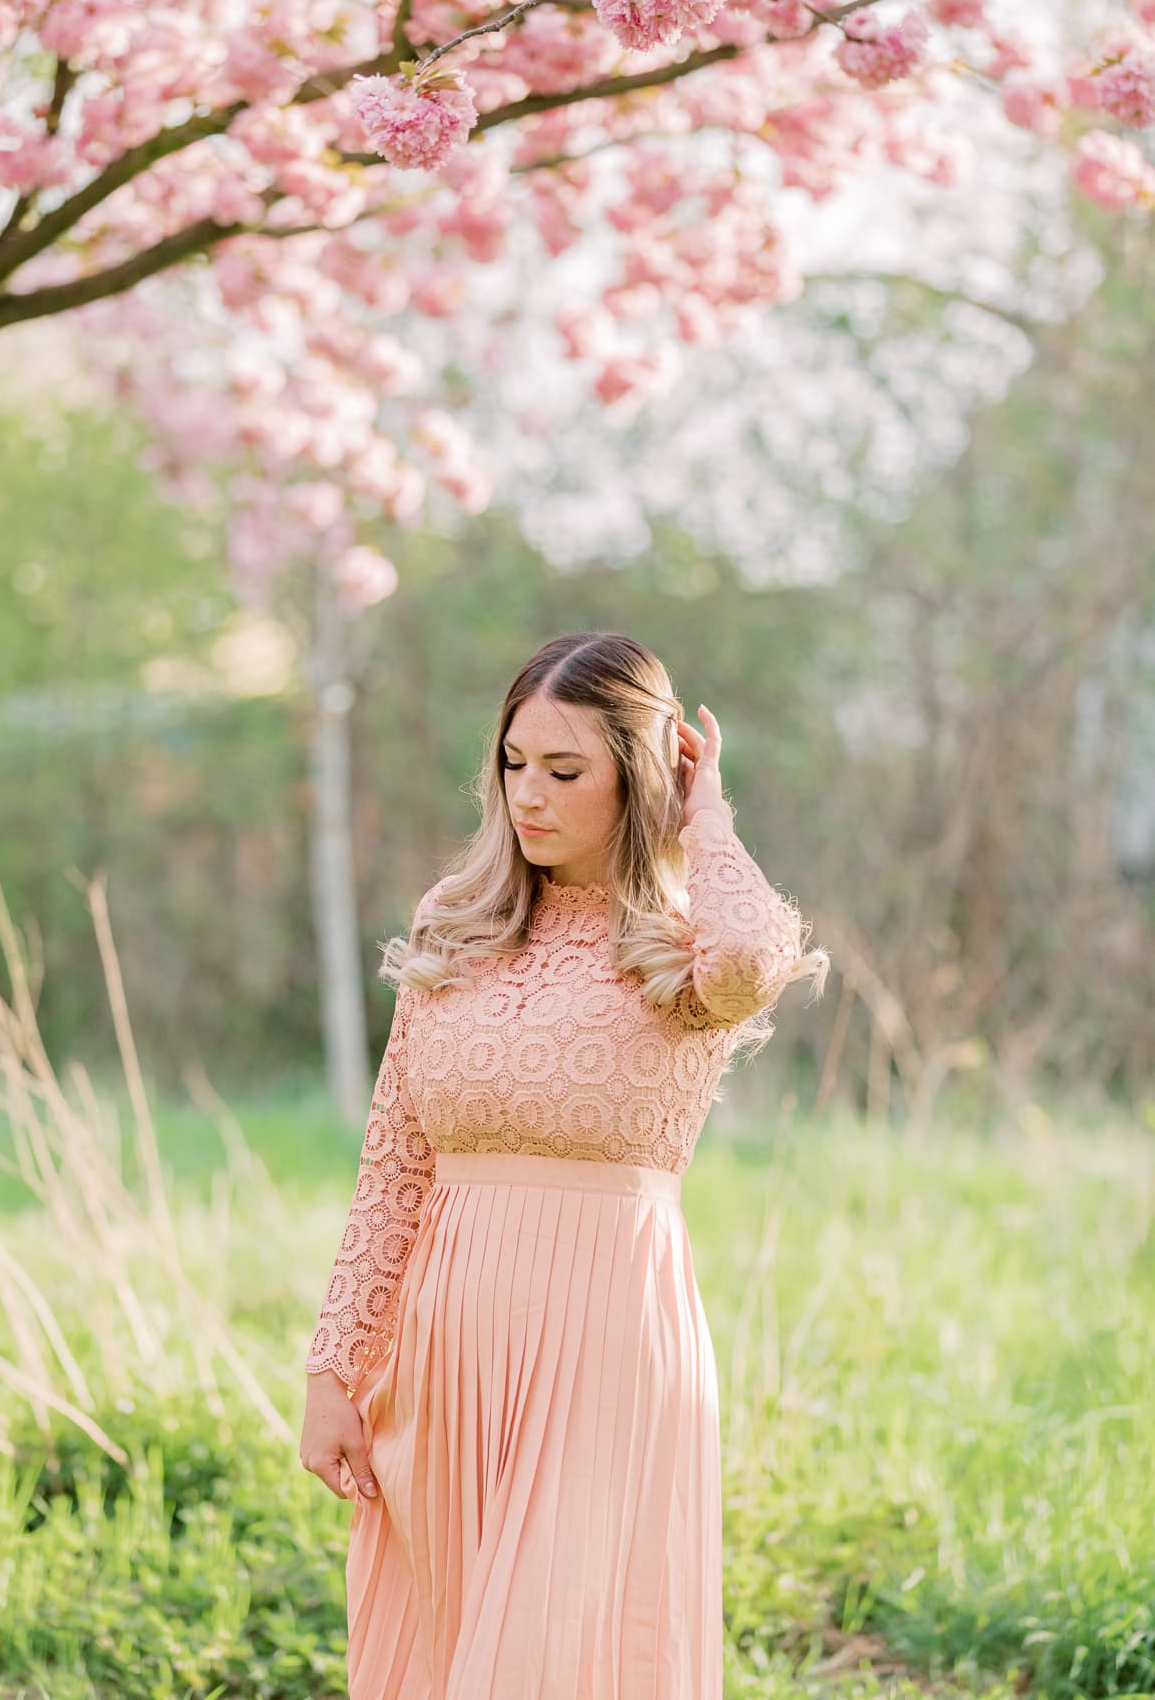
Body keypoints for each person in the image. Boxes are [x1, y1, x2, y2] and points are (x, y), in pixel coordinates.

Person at [299, 630, 829, 1699]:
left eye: (565, 769)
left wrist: (707, 809)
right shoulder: (456, 929)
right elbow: (395, 1163)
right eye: (513, 762)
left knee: (550, 1667)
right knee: (449, 1663)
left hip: (608, 1361)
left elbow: (754, 957)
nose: (526, 794)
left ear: (638, 778)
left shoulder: (682, 953)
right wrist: (333, 1367)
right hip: (442, 1363)